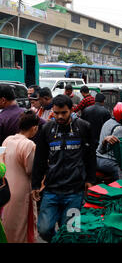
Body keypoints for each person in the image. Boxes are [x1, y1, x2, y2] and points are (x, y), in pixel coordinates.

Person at [31, 95, 96, 243]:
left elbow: (91, 157)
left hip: (75, 191)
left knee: (72, 230)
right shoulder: (46, 129)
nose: (59, 116)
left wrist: (90, 180)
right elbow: (39, 159)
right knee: (44, 229)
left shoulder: (84, 127)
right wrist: (35, 184)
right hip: (51, 191)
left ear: (71, 110)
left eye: (63, 113)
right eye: (56, 113)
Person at [0, 111, 40, 243]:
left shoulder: (7, 139)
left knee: (7, 220)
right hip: (22, 190)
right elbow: (30, 170)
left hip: (6, 186)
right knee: (22, 223)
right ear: (34, 128)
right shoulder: (29, 144)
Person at [96, 102, 122, 181]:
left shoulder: (109, 122)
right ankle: (120, 189)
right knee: (121, 171)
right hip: (106, 159)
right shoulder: (118, 128)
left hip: (99, 157)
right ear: (121, 116)